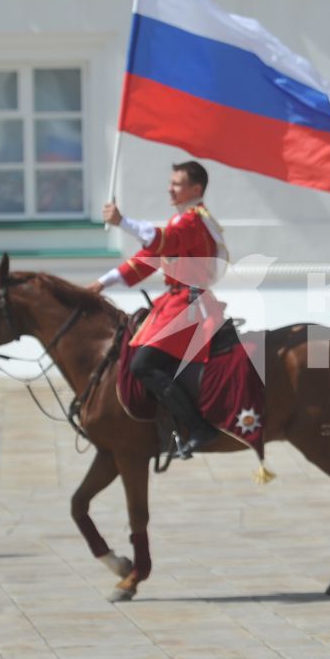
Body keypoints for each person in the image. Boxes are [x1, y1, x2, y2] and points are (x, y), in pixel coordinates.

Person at [93, 159, 230, 459]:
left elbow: (163, 241)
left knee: (142, 365)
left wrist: (123, 222)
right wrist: (101, 284)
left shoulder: (192, 221)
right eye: (171, 183)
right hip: (175, 302)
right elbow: (147, 258)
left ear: (195, 189)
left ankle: (198, 428)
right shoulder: (185, 220)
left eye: (177, 184)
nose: (170, 188)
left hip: (188, 305)